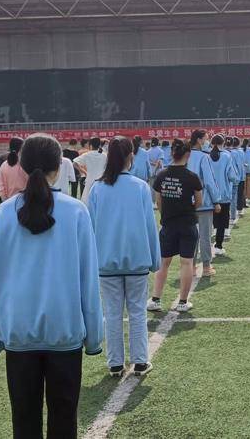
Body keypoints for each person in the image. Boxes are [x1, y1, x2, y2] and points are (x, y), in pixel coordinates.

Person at [0, 134, 103, 438]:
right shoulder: (75, 211)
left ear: (22, 166)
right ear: (58, 166)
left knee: (23, 422)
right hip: (64, 332)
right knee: (64, 421)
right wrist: (94, 337)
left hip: (18, 333)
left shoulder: (3, 213)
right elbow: (88, 280)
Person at [86, 138, 160, 377]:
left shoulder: (98, 188)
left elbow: (91, 228)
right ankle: (140, 360)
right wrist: (154, 260)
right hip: (137, 259)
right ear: (131, 156)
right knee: (137, 312)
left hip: (106, 261)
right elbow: (150, 226)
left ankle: (115, 363)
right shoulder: (139, 187)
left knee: (112, 313)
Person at [148, 139, 203, 312]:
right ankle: (182, 302)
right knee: (186, 262)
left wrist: (168, 213)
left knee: (163, 263)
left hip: (168, 224)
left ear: (172, 153)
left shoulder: (162, 175)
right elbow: (199, 202)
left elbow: (158, 201)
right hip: (188, 224)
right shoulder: (192, 177)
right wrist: (187, 209)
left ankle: (155, 299)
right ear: (188, 155)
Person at [186, 130, 222, 275]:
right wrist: (216, 200)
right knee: (205, 236)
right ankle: (206, 266)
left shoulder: (185, 155)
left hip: (187, 203)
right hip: (204, 201)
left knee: (190, 236)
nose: (208, 142)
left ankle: (191, 267)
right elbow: (209, 181)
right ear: (200, 140)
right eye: (206, 139)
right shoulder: (203, 157)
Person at [205, 135, 239, 256]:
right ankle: (218, 246)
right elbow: (233, 176)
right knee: (222, 223)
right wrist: (236, 181)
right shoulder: (226, 156)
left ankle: (204, 248)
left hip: (207, 195)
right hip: (223, 195)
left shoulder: (206, 156)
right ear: (223, 143)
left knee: (206, 222)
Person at [74, 137, 108, 205]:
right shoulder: (104, 155)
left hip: (90, 180)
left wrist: (84, 172)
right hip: (101, 181)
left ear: (91, 145)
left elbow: (75, 163)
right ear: (99, 145)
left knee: (87, 202)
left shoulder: (87, 154)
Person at [0, 137, 27, 202]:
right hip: (24, 203)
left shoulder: (3, 166)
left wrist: (6, 204)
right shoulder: (25, 165)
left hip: (9, 202)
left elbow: (1, 189)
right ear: (21, 149)